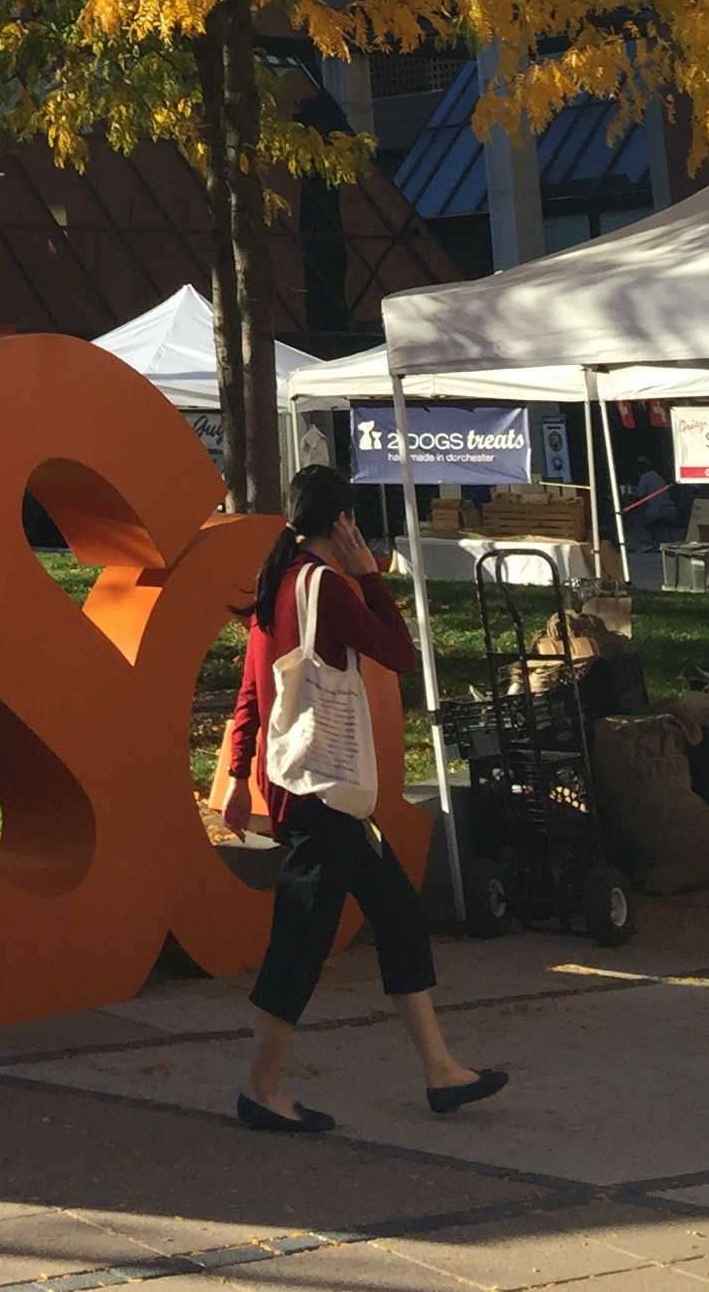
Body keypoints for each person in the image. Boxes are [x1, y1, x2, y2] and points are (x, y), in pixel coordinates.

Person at [222, 464, 506, 1133]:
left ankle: (440, 1069)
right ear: (342, 522)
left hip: (315, 792)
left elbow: (251, 692)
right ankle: (261, 1088)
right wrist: (371, 575)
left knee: (399, 913)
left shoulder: (276, 585)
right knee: (300, 938)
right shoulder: (326, 587)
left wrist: (237, 776)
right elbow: (400, 654)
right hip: (325, 794)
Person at [630, 457, 679, 539]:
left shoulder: (645, 477)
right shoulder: (658, 476)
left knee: (636, 522)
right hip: (670, 509)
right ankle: (658, 541)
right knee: (657, 526)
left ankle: (648, 543)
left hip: (657, 510)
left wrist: (629, 497)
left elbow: (639, 496)